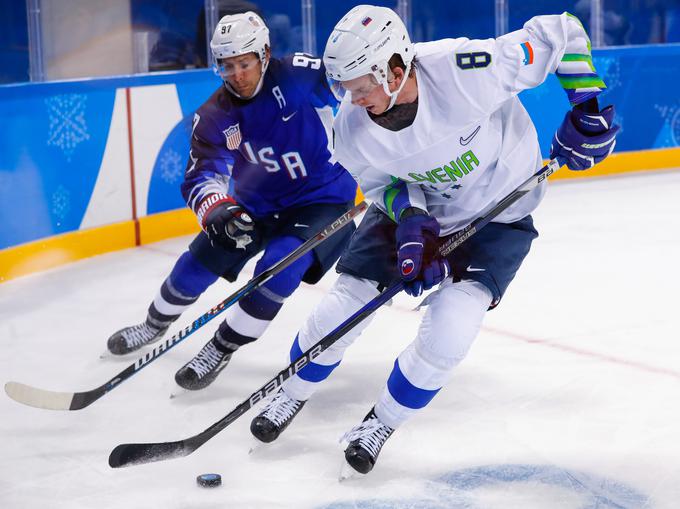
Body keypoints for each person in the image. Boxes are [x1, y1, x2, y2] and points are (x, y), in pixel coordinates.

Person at [248, 5, 619, 475]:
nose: (352, 97)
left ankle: (380, 423)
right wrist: (411, 223)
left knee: (450, 333)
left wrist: (587, 109)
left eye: (361, 85)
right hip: (420, 211)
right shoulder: (353, 128)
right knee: (343, 307)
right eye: (344, 86)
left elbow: (560, 31)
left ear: (395, 68)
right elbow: (383, 184)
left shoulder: (467, 71)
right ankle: (291, 392)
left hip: (499, 215)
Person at [106, 11, 358, 391]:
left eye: (245, 63)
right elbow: (200, 176)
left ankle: (222, 347)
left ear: (265, 54)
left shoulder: (301, 76)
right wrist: (218, 209)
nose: (237, 74)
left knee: (280, 267)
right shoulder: (212, 116)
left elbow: (358, 81)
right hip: (254, 203)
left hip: (320, 199)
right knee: (201, 258)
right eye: (227, 66)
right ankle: (154, 323)